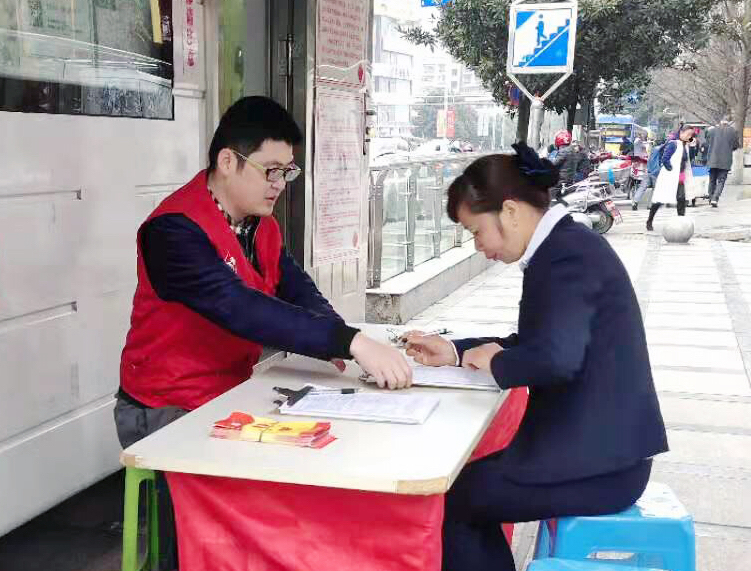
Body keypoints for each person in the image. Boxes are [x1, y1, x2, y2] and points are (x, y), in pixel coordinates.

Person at [115, 96, 412, 568]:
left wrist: (340, 340)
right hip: (166, 405)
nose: (279, 184)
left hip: (227, 393)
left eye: (286, 172)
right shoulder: (172, 232)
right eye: (270, 170)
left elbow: (296, 288)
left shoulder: (257, 226)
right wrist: (349, 341)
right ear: (227, 161)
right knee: (208, 528)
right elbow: (239, 308)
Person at [403, 143, 668, 571]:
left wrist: (496, 363)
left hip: (601, 464)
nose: (478, 246)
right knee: (466, 490)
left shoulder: (564, 256)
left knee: (459, 499)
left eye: (476, 231)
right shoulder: (565, 246)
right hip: (602, 451)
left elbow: (555, 359)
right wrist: (455, 351)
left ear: (509, 211)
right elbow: (539, 342)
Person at [646, 125, 696, 231]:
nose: (689, 137)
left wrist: (692, 145)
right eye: (688, 134)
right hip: (669, 176)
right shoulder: (673, 144)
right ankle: (650, 220)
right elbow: (665, 159)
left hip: (681, 176)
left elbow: (690, 158)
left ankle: (681, 222)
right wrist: (671, 170)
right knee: (660, 199)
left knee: (681, 198)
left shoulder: (686, 144)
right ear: (681, 133)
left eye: (691, 135)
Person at [705, 116, 740, 207]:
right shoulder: (733, 132)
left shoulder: (712, 130)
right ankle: (715, 198)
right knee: (721, 180)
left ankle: (711, 198)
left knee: (712, 180)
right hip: (725, 160)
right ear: (729, 122)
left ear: (720, 122)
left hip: (713, 159)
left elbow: (707, 142)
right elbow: (736, 146)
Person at [631, 139, 666, 211]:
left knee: (642, 187)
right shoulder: (658, 149)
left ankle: (635, 202)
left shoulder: (652, 151)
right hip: (655, 172)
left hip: (648, 171)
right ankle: (650, 204)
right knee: (655, 188)